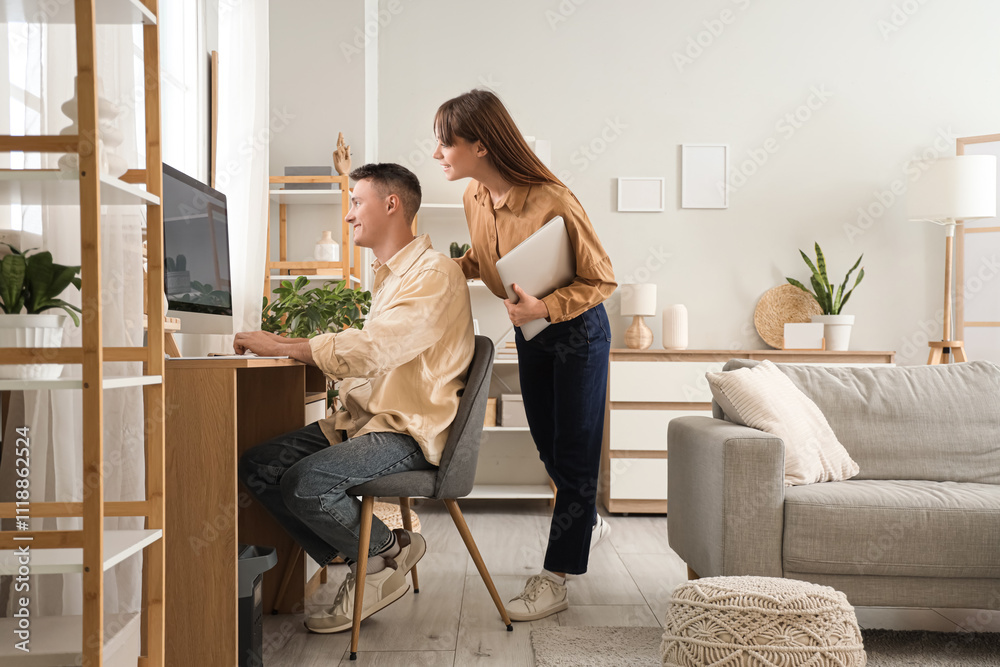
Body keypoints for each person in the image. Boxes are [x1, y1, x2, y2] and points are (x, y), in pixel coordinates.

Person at [235, 163, 474, 634]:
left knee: (305, 484)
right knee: (260, 466)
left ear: (391, 204)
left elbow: (376, 347)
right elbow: (376, 350)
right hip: (366, 420)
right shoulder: (391, 279)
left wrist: (283, 347)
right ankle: (376, 556)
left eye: (356, 202)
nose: (348, 216)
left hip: (408, 428)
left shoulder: (433, 274)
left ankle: (382, 558)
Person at [433, 89, 617, 621]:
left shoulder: (552, 199)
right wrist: (441, 268)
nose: (440, 153)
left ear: (482, 145)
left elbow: (601, 277)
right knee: (549, 447)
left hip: (577, 331)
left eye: (447, 142)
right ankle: (586, 523)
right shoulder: (474, 197)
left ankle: (556, 578)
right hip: (531, 333)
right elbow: (485, 259)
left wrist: (546, 305)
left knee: (576, 457)